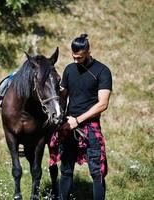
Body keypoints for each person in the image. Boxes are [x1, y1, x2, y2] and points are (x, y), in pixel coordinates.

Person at [58, 34, 112, 200]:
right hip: (69, 125)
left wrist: (78, 120)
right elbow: (62, 97)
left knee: (97, 172)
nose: (75, 61)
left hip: (90, 126)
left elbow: (103, 104)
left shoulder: (102, 71)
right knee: (66, 170)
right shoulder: (69, 69)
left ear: (89, 52)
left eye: (79, 57)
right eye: (73, 57)